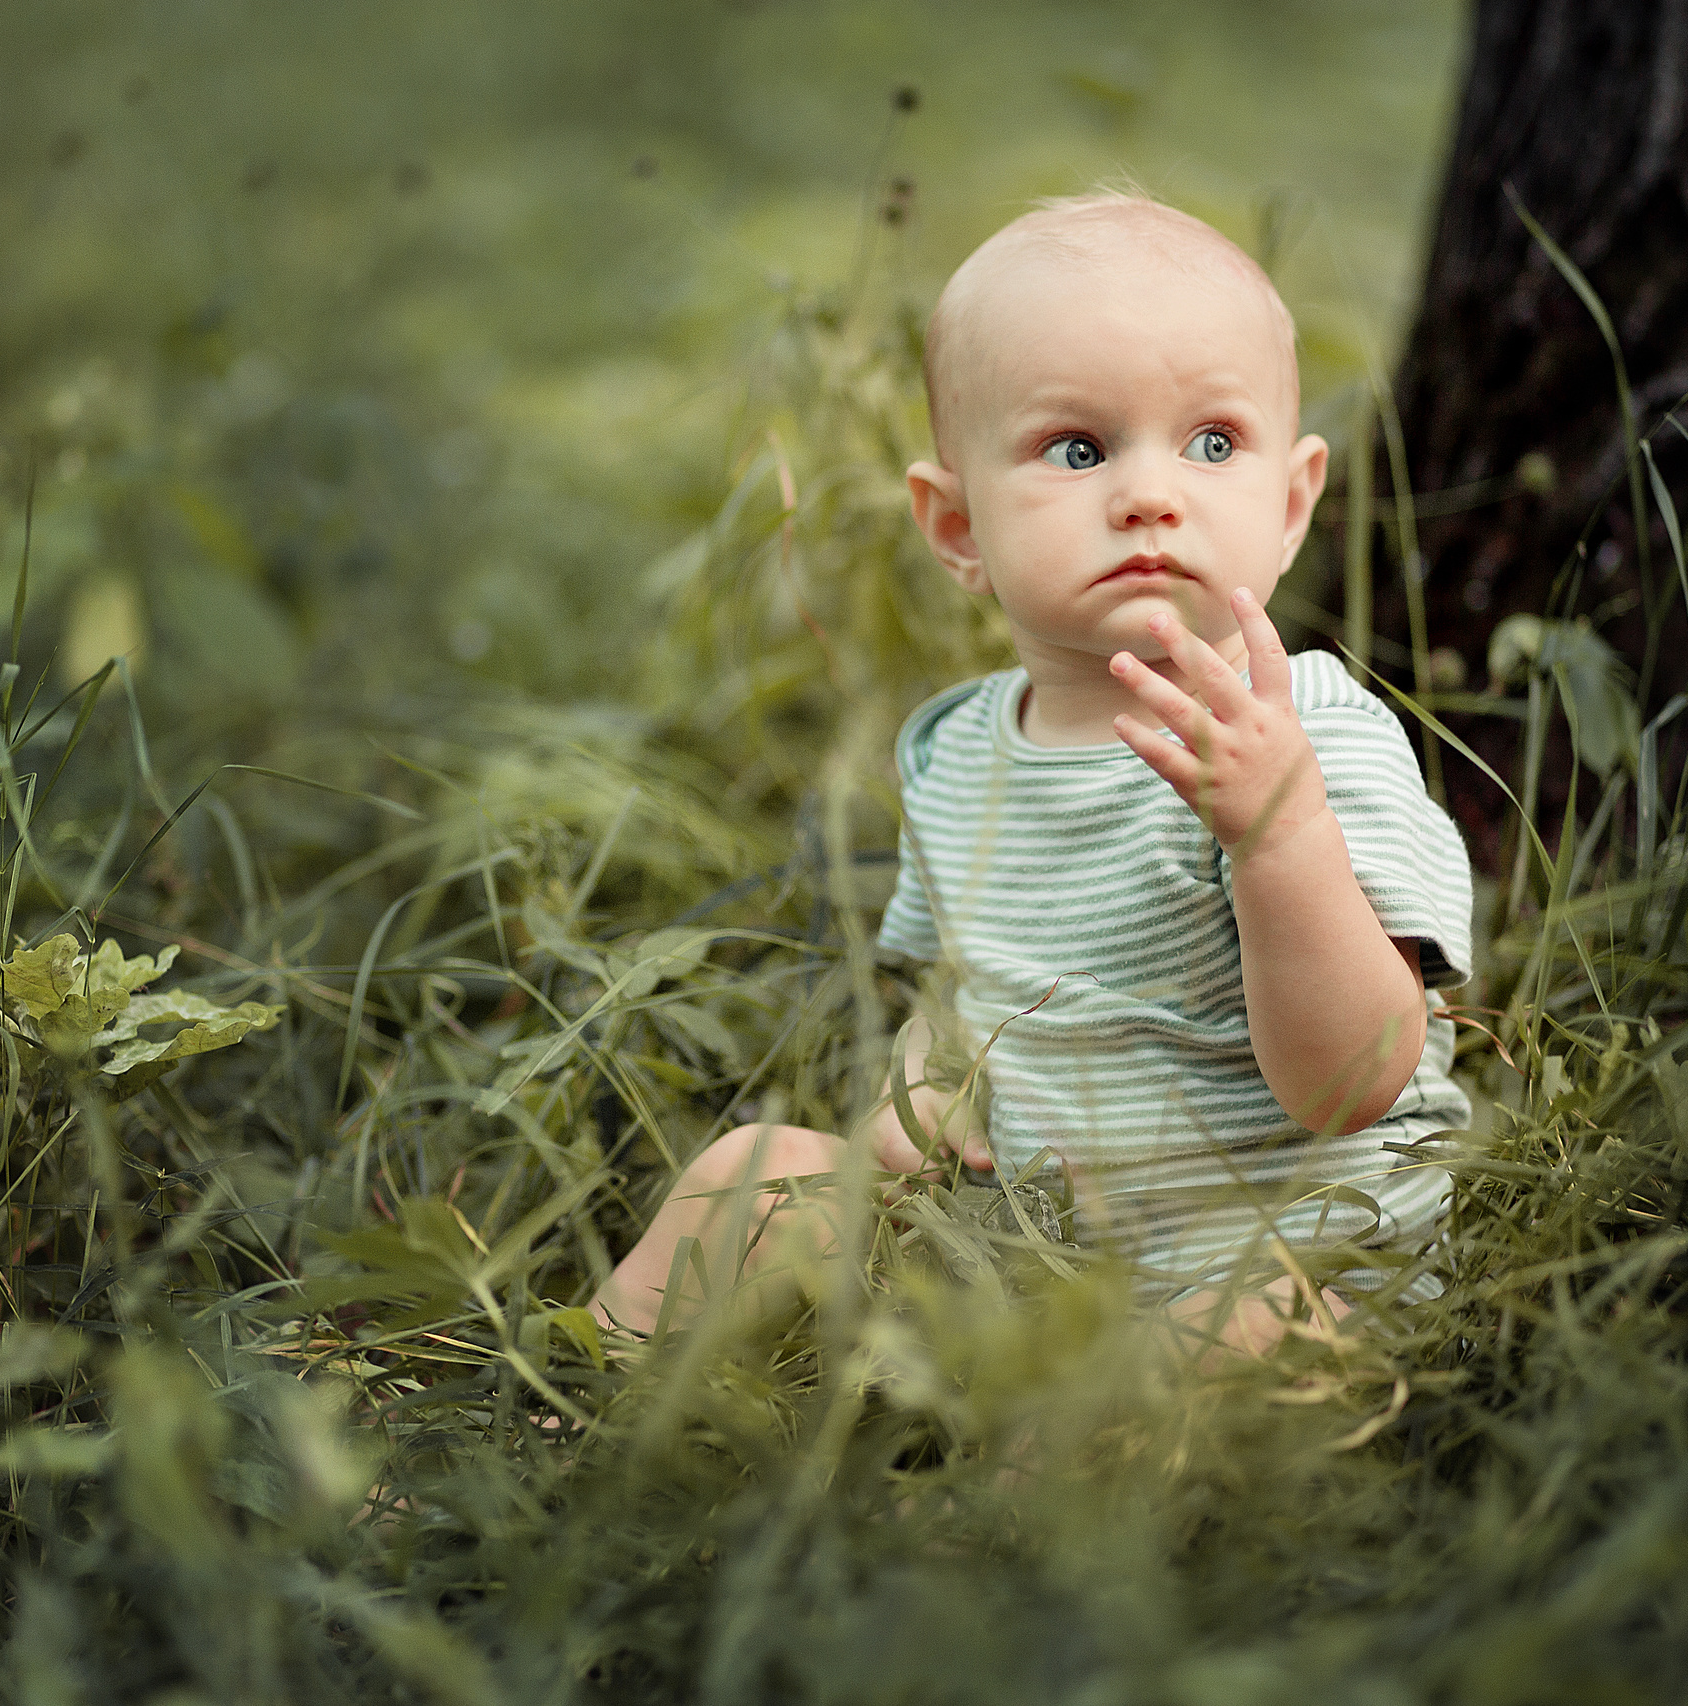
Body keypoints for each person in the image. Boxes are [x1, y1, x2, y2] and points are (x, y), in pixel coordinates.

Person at [589, 191, 1475, 1358]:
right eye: (1078, 449)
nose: (1150, 494)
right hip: (1028, 1258)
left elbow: (1353, 1084)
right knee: (754, 1174)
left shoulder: (1308, 734)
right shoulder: (960, 751)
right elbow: (966, 984)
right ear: (958, 529)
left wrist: (1280, 838)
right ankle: (566, 1399)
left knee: (1203, 1349)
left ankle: (1020, 1470)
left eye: (1213, 443)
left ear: (1293, 502)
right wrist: (930, 1077)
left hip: (1281, 1255)